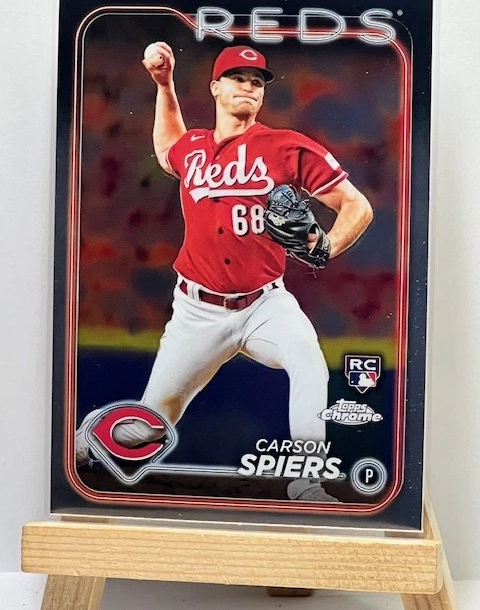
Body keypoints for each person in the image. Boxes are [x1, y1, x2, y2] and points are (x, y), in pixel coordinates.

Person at [76, 44, 373, 502]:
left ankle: (307, 481)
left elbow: (357, 205)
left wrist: (329, 244)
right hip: (197, 310)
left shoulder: (285, 146)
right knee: (151, 426)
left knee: (309, 363)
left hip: (264, 303)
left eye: (256, 82)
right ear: (216, 88)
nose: (249, 87)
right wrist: (163, 85)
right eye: (238, 79)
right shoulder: (193, 148)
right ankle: (86, 439)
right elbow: (167, 148)